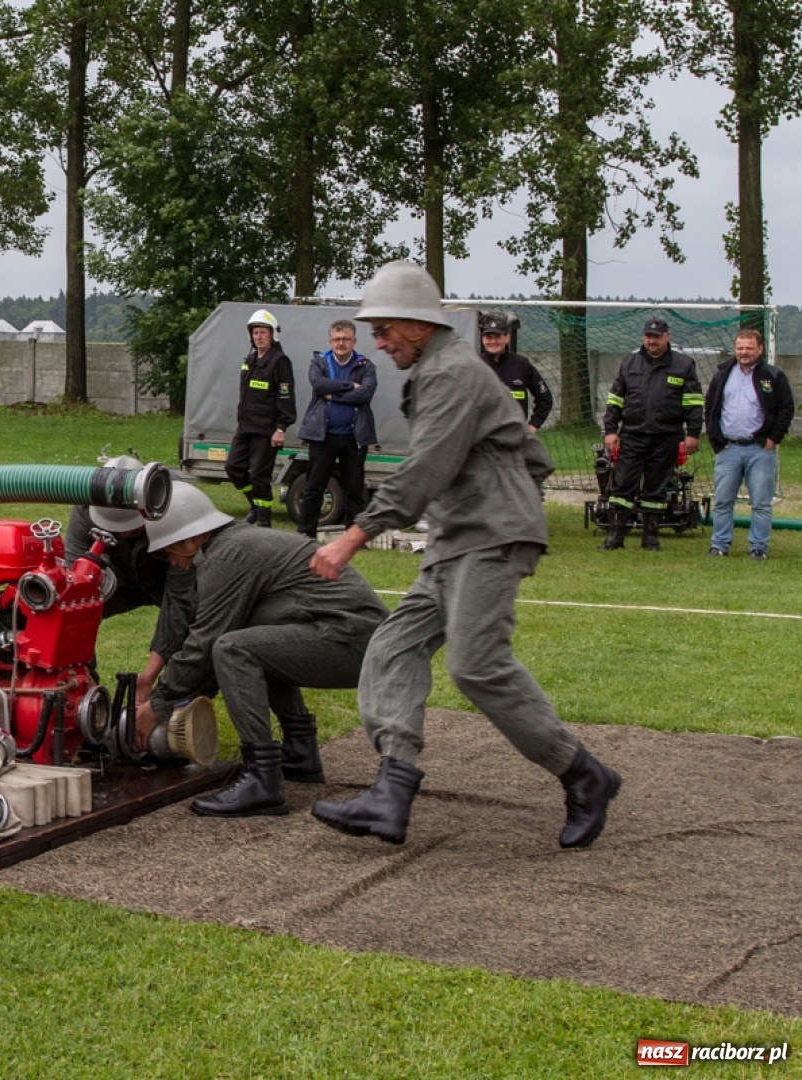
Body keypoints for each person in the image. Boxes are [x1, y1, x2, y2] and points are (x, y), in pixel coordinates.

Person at [309, 262, 621, 850]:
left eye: (384, 330)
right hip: (458, 535)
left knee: (476, 665)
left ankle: (585, 776)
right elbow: (531, 452)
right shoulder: (441, 368)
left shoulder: (450, 371)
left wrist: (353, 535)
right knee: (394, 643)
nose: (377, 342)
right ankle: (392, 792)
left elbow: (426, 468)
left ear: (417, 324)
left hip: (491, 535)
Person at [133, 483, 388, 817]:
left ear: (190, 540)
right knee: (254, 643)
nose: (173, 563)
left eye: (169, 552)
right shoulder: (238, 545)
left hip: (357, 642)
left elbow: (204, 646)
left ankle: (263, 780)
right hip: (359, 638)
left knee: (234, 650)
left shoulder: (225, 558)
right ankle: (300, 754)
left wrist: (156, 707)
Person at [63, 455, 195, 701]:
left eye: (131, 525)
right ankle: (84, 691)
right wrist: (80, 673)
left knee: (198, 629)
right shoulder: (85, 506)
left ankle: (176, 701)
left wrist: (148, 677)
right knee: (67, 609)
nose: (124, 532)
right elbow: (75, 593)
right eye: (115, 525)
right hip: (120, 578)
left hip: (171, 575)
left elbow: (180, 599)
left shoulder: (175, 503)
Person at [599, 317, 704, 551]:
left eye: (656, 337)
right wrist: (610, 430)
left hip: (666, 436)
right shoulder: (629, 363)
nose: (652, 341)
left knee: (656, 489)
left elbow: (693, 403)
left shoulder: (684, 365)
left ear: (667, 337)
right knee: (622, 486)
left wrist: (693, 433)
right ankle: (615, 537)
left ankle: (650, 538)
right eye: (648, 336)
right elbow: (615, 400)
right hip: (633, 436)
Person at [705, 328, 794, 559]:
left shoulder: (773, 376)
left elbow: (786, 409)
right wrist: (716, 439)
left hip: (760, 450)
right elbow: (710, 408)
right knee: (723, 501)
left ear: (760, 349)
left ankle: (758, 548)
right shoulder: (722, 374)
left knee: (761, 504)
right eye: (740, 348)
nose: (744, 352)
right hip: (728, 449)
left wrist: (773, 439)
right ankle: (719, 545)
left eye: (749, 348)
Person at [296, 319, 378, 539]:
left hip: (354, 437)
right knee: (314, 487)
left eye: (345, 339)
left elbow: (366, 394)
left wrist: (334, 395)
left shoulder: (365, 365)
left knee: (355, 490)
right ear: (330, 341)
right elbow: (319, 385)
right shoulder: (320, 362)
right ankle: (305, 534)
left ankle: (354, 538)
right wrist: (350, 386)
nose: (341, 343)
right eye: (337, 339)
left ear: (354, 341)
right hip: (323, 436)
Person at [225, 309, 297, 526]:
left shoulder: (280, 361)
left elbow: (286, 397)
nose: (259, 337)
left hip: (267, 431)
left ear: (272, 334)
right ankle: (255, 505)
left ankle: (264, 521)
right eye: (255, 333)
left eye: (263, 332)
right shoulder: (250, 359)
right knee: (233, 468)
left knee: (259, 475)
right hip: (246, 427)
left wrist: (281, 427)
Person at [479, 313, 552, 431]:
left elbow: (545, 398)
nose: (493, 341)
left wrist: (533, 425)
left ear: (507, 337)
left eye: (497, 336)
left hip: (514, 437)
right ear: (483, 339)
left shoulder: (522, 364)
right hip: (484, 438)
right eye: (489, 337)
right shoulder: (475, 365)